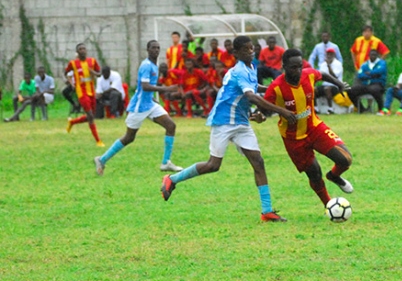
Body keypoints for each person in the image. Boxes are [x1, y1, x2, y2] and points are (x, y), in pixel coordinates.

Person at [160, 35, 298, 223]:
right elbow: (251, 96)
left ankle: (267, 211)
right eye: (246, 49)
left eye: (252, 48)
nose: (251, 51)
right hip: (223, 121)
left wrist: (271, 92)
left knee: (258, 161)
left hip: (241, 122)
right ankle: (172, 179)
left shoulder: (251, 67)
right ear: (236, 53)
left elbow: (252, 89)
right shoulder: (238, 71)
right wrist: (282, 110)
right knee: (213, 165)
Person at [264, 48, 353, 210]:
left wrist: (339, 83)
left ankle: (334, 175)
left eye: (300, 66)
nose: (298, 70)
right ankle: (329, 206)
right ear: (284, 66)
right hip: (293, 138)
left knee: (345, 159)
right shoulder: (276, 87)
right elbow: (264, 108)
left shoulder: (308, 74)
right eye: (293, 67)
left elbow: (322, 75)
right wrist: (265, 114)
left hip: (314, 127)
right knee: (314, 173)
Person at [94, 40, 184, 176]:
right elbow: (145, 87)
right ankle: (101, 159)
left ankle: (166, 163)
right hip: (139, 106)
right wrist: (166, 89)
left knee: (171, 126)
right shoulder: (146, 66)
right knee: (129, 137)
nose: (156, 50)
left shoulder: (155, 66)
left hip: (150, 104)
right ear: (147, 50)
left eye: (158, 48)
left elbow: (147, 89)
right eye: (153, 48)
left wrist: (153, 99)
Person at [64, 43, 104, 146]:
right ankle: (98, 140)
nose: (82, 50)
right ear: (77, 52)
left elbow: (100, 74)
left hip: (91, 92)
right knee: (90, 115)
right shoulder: (73, 63)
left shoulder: (92, 61)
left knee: (91, 116)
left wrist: (93, 73)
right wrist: (71, 81)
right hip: (81, 93)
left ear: (86, 51)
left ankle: (72, 122)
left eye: (84, 48)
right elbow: (66, 72)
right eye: (80, 49)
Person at [348, 49, 387, 114]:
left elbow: (380, 71)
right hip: (366, 84)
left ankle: (381, 109)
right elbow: (360, 75)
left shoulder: (382, 63)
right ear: (369, 55)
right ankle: (361, 109)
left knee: (374, 90)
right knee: (350, 91)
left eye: (375, 55)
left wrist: (369, 73)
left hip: (377, 84)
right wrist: (373, 75)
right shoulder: (365, 64)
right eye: (371, 55)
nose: (373, 56)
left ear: (377, 55)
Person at [316, 47, 343, 114]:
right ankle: (315, 108)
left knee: (327, 89)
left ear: (334, 55)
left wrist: (328, 66)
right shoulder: (323, 64)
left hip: (336, 85)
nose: (329, 56)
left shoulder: (338, 64)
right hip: (325, 84)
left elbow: (335, 77)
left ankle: (330, 109)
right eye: (328, 54)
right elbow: (320, 77)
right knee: (313, 89)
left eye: (331, 54)